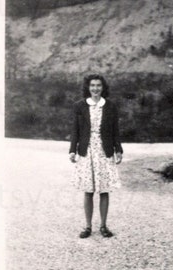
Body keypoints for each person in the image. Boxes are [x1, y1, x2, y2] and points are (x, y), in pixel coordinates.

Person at [69, 74, 123, 239]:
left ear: (103, 87)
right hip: (86, 150)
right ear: (88, 87)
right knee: (88, 190)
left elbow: (115, 130)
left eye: (98, 85)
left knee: (104, 189)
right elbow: (75, 130)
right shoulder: (80, 106)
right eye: (92, 85)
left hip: (104, 150)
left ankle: (103, 226)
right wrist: (72, 150)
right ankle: (88, 227)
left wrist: (118, 150)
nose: (95, 88)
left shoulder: (110, 106)